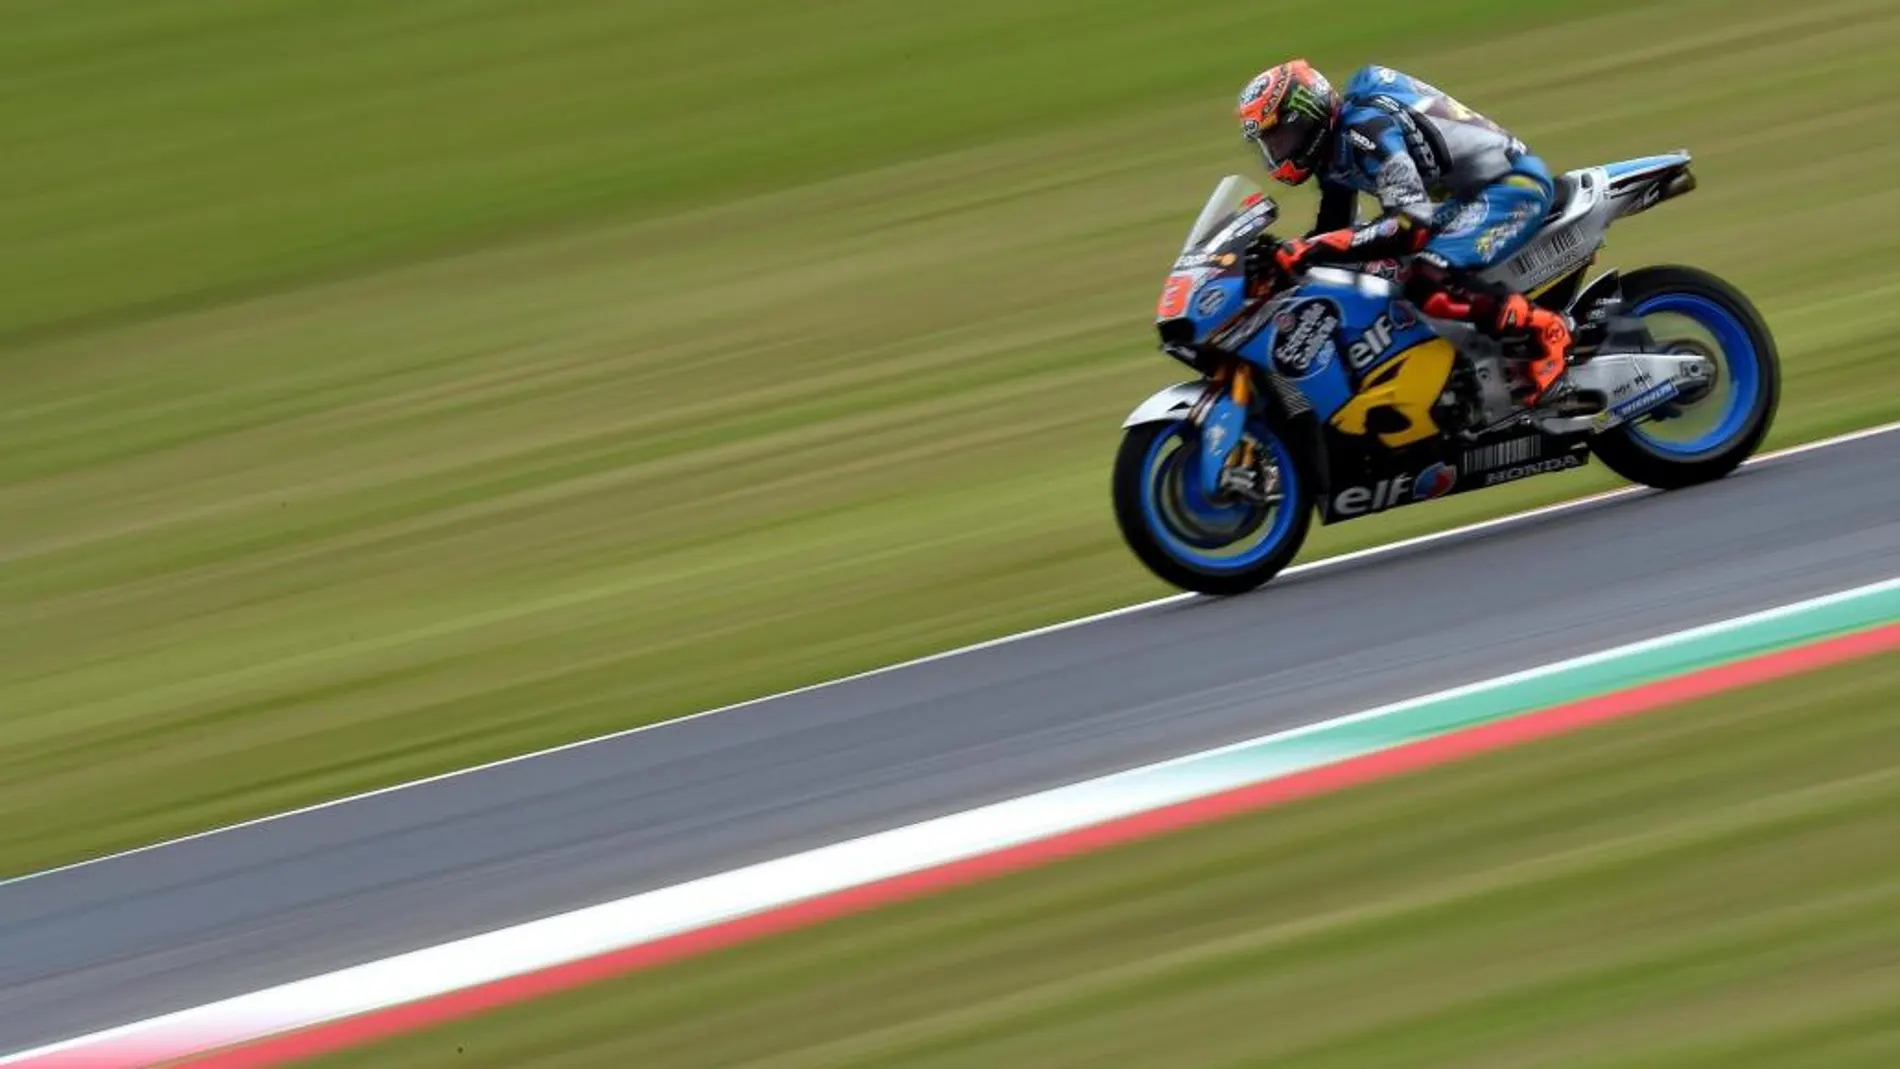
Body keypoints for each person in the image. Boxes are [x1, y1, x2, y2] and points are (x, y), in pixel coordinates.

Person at [1235, 59, 1572, 404]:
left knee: (1427, 283)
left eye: (1279, 137)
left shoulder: (1366, 129)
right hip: (1462, 202)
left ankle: (1544, 330)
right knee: (1374, 273)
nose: (1276, 152)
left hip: (1509, 189)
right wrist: (1283, 263)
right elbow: (1333, 230)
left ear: (1306, 116)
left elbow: (1409, 226)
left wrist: (1308, 250)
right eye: (1268, 144)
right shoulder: (1331, 152)